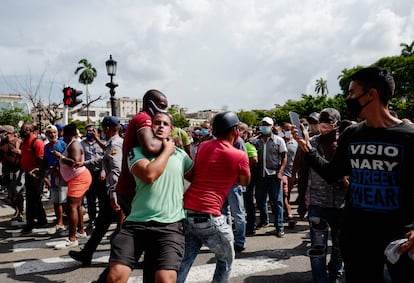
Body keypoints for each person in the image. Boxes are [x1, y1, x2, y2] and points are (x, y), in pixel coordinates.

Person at [293, 67, 414, 282]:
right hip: (357, 234)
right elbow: (333, 173)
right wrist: (308, 151)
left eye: (351, 93)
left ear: (371, 94)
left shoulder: (408, 136)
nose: (348, 98)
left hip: (399, 239)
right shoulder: (352, 134)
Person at [107, 112, 193, 283]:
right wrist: (168, 150)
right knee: (116, 276)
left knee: (165, 279)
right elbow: (149, 174)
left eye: (165, 123)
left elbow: (196, 178)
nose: (161, 126)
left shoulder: (181, 156)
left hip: (170, 226)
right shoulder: (136, 152)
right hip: (136, 224)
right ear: (150, 127)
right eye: (157, 122)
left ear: (171, 130)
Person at [177, 111, 250, 283]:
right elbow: (244, 181)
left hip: (187, 210)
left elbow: (198, 171)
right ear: (235, 131)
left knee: (185, 260)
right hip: (209, 215)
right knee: (226, 259)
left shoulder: (203, 146)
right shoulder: (239, 155)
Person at [69, 117, 122, 266]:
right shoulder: (112, 144)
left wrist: (113, 193)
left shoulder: (116, 144)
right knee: (102, 223)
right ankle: (87, 253)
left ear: (106, 128)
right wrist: (84, 163)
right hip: (115, 191)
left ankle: (128, 258)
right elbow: (103, 159)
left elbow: (116, 170)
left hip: (117, 192)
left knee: (126, 227)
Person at [301, 108, 346, 283]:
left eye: (328, 122)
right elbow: (303, 172)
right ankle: (320, 280)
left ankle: (335, 276)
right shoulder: (310, 143)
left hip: (342, 205)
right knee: (318, 248)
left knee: (339, 248)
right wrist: (302, 200)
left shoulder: (345, 144)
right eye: (321, 121)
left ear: (337, 124)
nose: (323, 126)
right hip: (317, 203)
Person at [53, 123, 92, 249]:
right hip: (76, 178)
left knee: (72, 207)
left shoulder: (74, 144)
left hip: (78, 178)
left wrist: (61, 157)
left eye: (63, 134)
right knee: (77, 206)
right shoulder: (73, 143)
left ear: (68, 134)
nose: (62, 136)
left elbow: (75, 163)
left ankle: (72, 239)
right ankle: (81, 231)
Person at [252, 117, 287, 237]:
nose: (264, 127)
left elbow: (284, 157)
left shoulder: (279, 141)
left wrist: (280, 172)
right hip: (260, 176)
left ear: (272, 126)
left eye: (267, 125)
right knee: (261, 201)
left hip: (274, 176)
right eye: (262, 124)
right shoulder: (256, 141)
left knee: (277, 202)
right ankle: (264, 220)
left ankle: (279, 226)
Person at [221, 134, 248, 252]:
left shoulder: (238, 142)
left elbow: (243, 163)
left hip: (234, 184)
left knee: (238, 214)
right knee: (223, 213)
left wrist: (239, 180)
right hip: (222, 184)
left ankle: (240, 241)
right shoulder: (219, 141)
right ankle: (228, 239)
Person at [20, 123, 48, 233]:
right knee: (35, 198)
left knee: (31, 200)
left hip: (35, 175)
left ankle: (29, 224)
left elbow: (41, 160)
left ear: (30, 130)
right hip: (28, 173)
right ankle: (42, 219)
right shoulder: (24, 142)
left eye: (24, 130)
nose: (22, 131)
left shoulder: (36, 142)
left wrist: (37, 175)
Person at [43, 125, 67, 231]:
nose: (52, 135)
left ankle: (70, 222)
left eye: (54, 132)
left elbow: (69, 159)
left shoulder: (62, 144)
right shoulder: (46, 147)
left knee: (65, 201)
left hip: (64, 177)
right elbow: (45, 162)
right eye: (49, 133)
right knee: (56, 201)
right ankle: (59, 222)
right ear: (46, 134)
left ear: (57, 133)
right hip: (53, 178)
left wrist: (58, 166)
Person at [81, 123, 105, 230]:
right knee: (90, 199)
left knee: (102, 198)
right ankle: (92, 219)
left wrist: (103, 171)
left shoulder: (102, 143)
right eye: (88, 131)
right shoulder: (82, 144)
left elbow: (105, 159)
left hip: (99, 173)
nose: (90, 133)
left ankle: (102, 219)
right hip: (88, 173)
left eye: (92, 131)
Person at [0, 125, 23, 222]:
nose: (1, 134)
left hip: (17, 170)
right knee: (11, 194)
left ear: (9, 132)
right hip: (6, 170)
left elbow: (25, 154)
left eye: (3, 132)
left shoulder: (18, 142)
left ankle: (20, 212)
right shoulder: (2, 142)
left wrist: (18, 151)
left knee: (18, 192)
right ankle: (17, 211)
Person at [280, 122, 298, 229]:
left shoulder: (296, 143)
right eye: (286, 129)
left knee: (288, 193)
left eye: (290, 129)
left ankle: (285, 210)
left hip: (293, 172)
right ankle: (290, 215)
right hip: (283, 173)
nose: (288, 131)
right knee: (285, 194)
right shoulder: (279, 141)